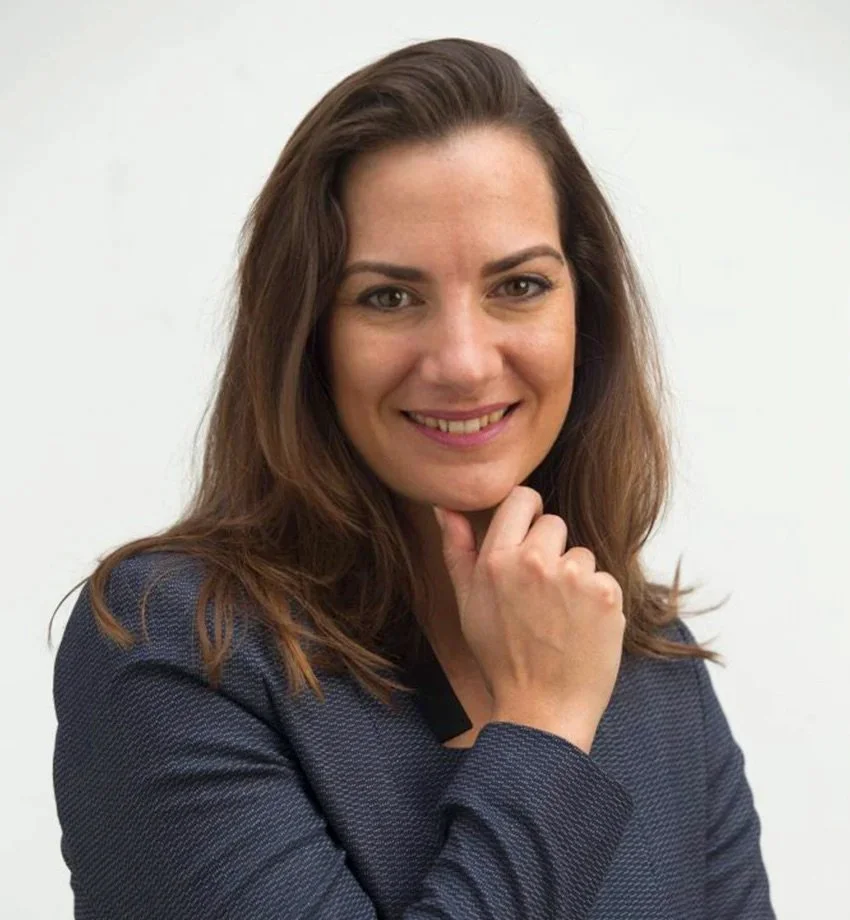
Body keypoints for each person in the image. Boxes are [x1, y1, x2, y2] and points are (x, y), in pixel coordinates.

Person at [50, 37, 776, 919]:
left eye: (519, 285)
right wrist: (545, 727)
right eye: (389, 297)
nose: (464, 362)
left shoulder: (646, 658)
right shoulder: (177, 643)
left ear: (586, 312)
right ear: (307, 337)